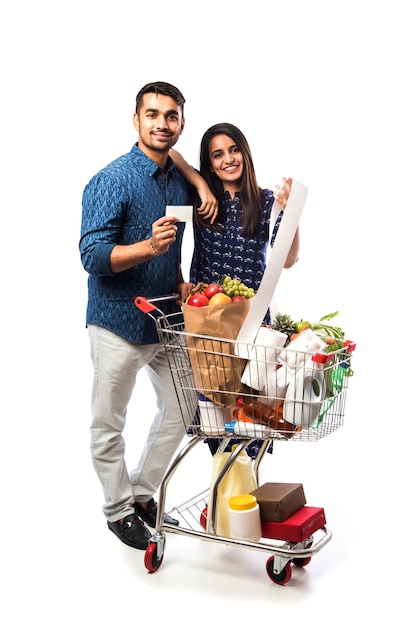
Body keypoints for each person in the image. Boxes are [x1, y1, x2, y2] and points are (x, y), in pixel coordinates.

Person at [79, 81, 217, 550]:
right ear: (136, 120)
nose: (162, 123)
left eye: (171, 115)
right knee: (107, 423)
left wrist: (176, 277)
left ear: (181, 123)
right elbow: (92, 256)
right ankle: (118, 511)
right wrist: (146, 248)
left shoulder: (177, 179)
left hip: (166, 320)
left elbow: (172, 245)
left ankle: (140, 493)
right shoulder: (112, 179)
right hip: (117, 321)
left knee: (182, 408)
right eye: (153, 114)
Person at [184, 122, 299, 457]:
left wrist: (291, 213)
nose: (228, 159)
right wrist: (200, 186)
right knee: (214, 412)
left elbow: (289, 257)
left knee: (250, 411)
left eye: (234, 150)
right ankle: (226, 494)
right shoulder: (202, 202)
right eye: (217, 154)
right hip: (209, 319)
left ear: (245, 153)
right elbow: (174, 158)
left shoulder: (263, 201)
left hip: (252, 320)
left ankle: (242, 493)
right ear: (208, 162)